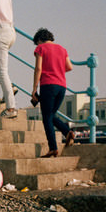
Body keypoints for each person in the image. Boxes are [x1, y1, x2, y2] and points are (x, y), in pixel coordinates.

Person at [30, 28, 74, 158]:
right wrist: (57, 69)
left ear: (39, 40)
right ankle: (67, 132)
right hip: (61, 86)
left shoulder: (41, 48)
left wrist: (34, 89)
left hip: (48, 85)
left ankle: (53, 148)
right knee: (50, 115)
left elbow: (38, 68)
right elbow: (69, 67)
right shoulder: (62, 49)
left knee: (46, 118)